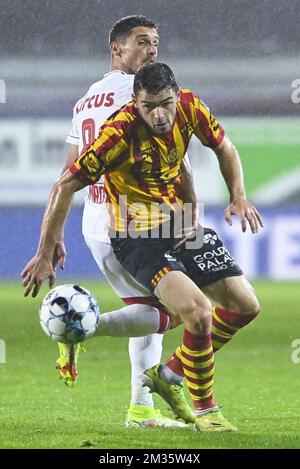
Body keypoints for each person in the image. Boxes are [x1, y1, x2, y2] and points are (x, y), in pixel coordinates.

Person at [21, 62, 263, 432]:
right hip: (136, 234)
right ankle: (207, 412)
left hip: (180, 223)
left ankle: (168, 373)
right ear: (135, 102)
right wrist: (45, 249)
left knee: (245, 306)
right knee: (197, 313)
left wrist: (239, 197)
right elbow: (64, 185)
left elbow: (224, 147)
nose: (160, 114)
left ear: (176, 95)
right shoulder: (117, 132)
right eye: (149, 107)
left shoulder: (190, 106)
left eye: (166, 103)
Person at [21, 16, 196, 429]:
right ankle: (80, 327)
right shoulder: (141, 95)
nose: (152, 50)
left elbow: (67, 175)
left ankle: (140, 410)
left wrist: (52, 238)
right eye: (141, 42)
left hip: (95, 221)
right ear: (116, 48)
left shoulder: (87, 99)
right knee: (181, 311)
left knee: (147, 309)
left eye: (155, 42)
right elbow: (173, 159)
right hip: (132, 221)